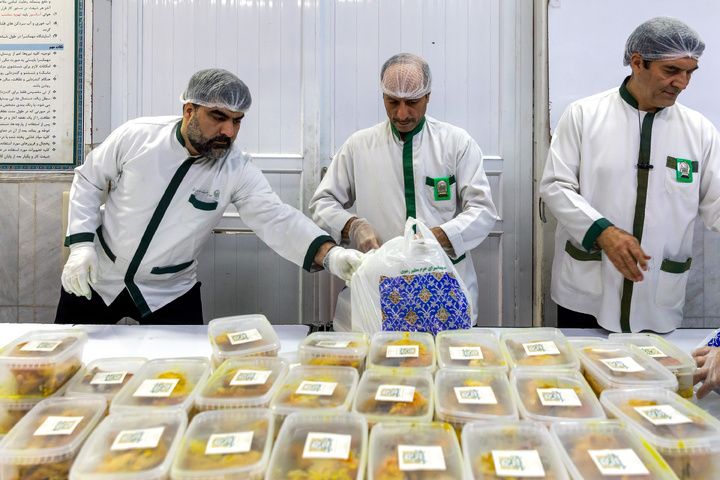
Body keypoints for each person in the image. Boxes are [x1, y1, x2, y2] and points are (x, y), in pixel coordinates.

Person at [56, 68, 363, 325]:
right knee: (65, 366)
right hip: (99, 275)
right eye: (218, 117)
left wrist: (331, 255)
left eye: (237, 120)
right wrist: (82, 248)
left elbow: (276, 218)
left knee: (180, 378)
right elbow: (89, 180)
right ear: (189, 110)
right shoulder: (137, 136)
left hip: (170, 291)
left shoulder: (235, 169)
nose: (228, 131)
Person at [540, 17, 720, 332]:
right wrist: (604, 232)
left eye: (689, 72)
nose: (682, 82)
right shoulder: (584, 115)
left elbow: (716, 204)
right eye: (671, 70)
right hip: (587, 291)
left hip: (657, 293)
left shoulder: (699, 131)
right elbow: (556, 186)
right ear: (638, 63)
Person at [309, 53, 498, 323]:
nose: (402, 114)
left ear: (428, 96)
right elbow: (322, 203)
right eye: (392, 102)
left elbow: (482, 211)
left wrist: (436, 237)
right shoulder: (359, 145)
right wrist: (353, 226)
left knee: (444, 358)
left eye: (412, 102)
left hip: (444, 284)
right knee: (381, 359)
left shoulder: (456, 143)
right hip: (379, 288)